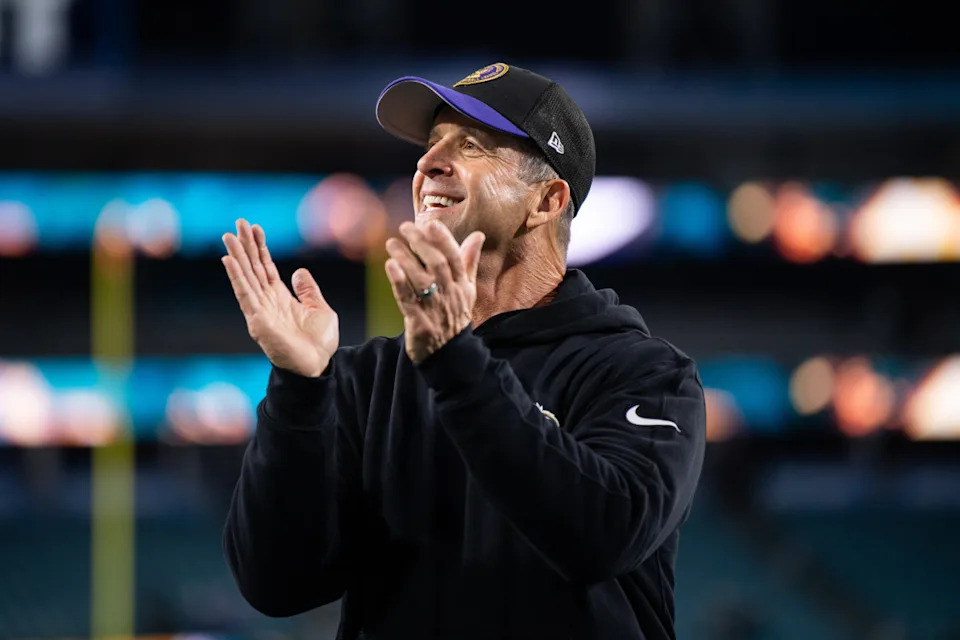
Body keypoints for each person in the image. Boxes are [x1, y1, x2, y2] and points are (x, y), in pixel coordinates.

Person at [220, 62, 706, 640]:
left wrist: (456, 364)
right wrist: (299, 389)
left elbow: (604, 535)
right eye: (431, 144)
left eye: (471, 146)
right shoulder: (365, 378)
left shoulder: (645, 374)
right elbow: (277, 584)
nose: (427, 163)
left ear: (546, 202)